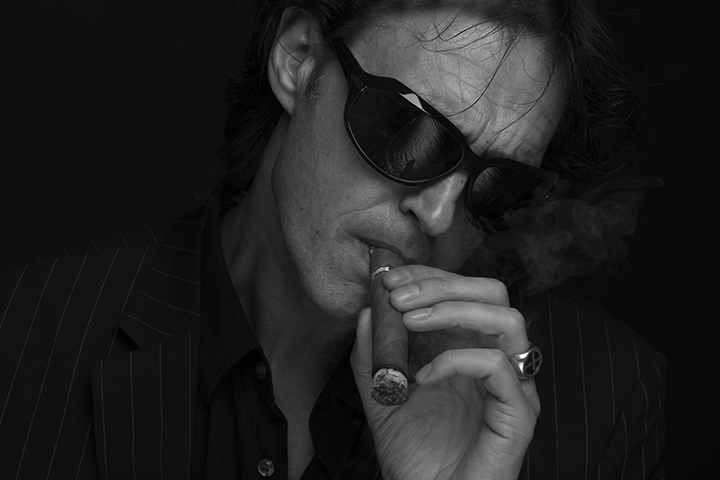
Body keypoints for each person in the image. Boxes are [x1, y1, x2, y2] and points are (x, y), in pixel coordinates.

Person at [0, 0, 665, 479]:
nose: (438, 216)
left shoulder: (605, 404)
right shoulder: (20, 340)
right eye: (409, 132)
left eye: (499, 184)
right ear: (299, 59)